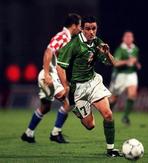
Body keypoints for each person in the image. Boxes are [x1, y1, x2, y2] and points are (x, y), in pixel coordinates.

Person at [57, 16, 124, 157]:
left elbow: (114, 63)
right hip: (78, 89)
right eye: (88, 28)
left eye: (94, 28)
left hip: (93, 82)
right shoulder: (74, 45)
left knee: (108, 114)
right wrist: (65, 86)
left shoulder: (97, 42)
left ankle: (110, 150)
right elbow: (60, 66)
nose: (91, 32)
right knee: (90, 125)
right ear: (82, 28)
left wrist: (106, 53)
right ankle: (77, 109)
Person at [21, 13, 81, 143]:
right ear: (74, 25)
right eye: (80, 26)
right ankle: (55, 133)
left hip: (49, 75)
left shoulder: (69, 38)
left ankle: (28, 133)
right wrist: (48, 74)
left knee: (45, 107)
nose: (80, 29)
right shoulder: (63, 36)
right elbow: (49, 51)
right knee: (68, 102)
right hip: (49, 76)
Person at [109, 31, 141, 125]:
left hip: (131, 74)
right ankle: (108, 113)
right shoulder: (120, 49)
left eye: (130, 36)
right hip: (120, 75)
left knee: (132, 94)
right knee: (113, 98)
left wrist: (137, 64)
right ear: (123, 39)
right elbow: (116, 63)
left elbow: (134, 61)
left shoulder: (135, 49)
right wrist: (127, 61)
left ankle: (125, 117)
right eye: (126, 36)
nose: (128, 38)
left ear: (133, 38)